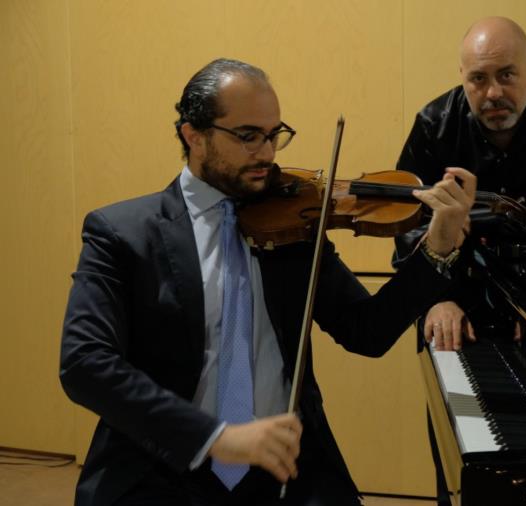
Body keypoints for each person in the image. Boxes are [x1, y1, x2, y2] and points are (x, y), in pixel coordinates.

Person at [60, 58, 475, 506]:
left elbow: (367, 331)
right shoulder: (121, 233)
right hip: (164, 463)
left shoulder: (293, 225)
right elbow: (85, 364)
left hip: (286, 466)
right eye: (247, 136)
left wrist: (437, 248)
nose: (267, 153)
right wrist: (215, 437)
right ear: (193, 135)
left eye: (274, 134)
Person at [392, 16, 526, 505]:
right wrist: (437, 299)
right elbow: (408, 223)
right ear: (462, 77)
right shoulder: (434, 122)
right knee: (461, 458)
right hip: (452, 290)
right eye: (477, 79)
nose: (492, 93)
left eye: (506, 75)